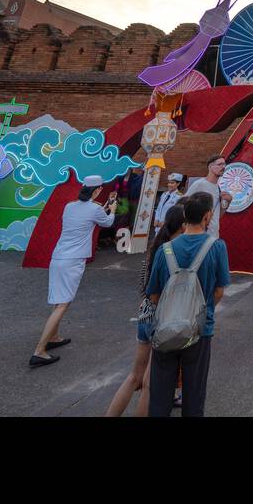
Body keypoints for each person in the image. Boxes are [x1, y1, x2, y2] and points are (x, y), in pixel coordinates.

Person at [145, 193, 229, 418]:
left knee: (160, 394)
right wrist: (202, 309)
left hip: (165, 328)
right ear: (207, 216)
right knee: (194, 393)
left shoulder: (166, 250)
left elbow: (153, 294)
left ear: (185, 216)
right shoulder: (217, 247)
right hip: (200, 329)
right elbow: (219, 290)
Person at [106, 202, 187, 416]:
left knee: (134, 377)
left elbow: (143, 285)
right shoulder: (177, 251)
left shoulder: (155, 247)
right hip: (162, 318)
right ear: (184, 225)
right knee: (151, 384)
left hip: (145, 314)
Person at [30, 175, 116, 367]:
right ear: (97, 191)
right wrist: (113, 210)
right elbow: (107, 222)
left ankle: (54, 337)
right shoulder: (94, 209)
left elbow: (88, 217)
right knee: (63, 303)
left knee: (58, 300)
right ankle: (40, 349)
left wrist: (102, 209)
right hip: (73, 260)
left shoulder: (70, 206)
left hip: (59, 256)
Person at [185, 154, 233, 243]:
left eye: (224, 165)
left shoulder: (218, 188)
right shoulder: (200, 184)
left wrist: (228, 202)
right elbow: (182, 205)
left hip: (214, 236)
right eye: (220, 164)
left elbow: (217, 215)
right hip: (199, 236)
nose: (223, 167)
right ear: (210, 167)